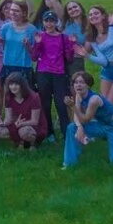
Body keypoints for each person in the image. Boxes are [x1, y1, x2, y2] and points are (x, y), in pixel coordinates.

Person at [63, 71, 113, 168]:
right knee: (71, 127)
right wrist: (79, 127)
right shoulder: (78, 95)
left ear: (88, 85)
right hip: (102, 124)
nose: (78, 85)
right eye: (76, 82)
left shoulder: (94, 99)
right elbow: (77, 117)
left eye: (82, 82)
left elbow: (85, 119)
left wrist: (73, 107)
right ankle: (69, 163)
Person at [27, 10, 75, 142]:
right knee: (45, 104)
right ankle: (49, 132)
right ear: (43, 22)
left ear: (56, 22)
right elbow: (34, 57)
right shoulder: (40, 36)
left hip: (59, 74)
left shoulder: (63, 37)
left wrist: (71, 45)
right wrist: (37, 44)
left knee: (61, 104)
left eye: (52, 21)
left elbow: (69, 59)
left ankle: (67, 133)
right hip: (43, 73)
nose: (49, 24)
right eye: (46, 21)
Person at [86, 3, 113, 106]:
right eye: (90, 14)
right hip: (107, 69)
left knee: (111, 103)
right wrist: (87, 55)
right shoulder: (93, 37)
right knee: (103, 103)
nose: (93, 16)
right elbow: (103, 61)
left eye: (96, 13)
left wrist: (111, 24)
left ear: (103, 16)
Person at [0, 73, 48, 148]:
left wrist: (22, 124)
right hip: (17, 124)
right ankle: (20, 142)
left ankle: (32, 144)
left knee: (24, 131)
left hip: (33, 126)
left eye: (16, 84)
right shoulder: (8, 97)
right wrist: (2, 123)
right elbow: (8, 120)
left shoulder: (34, 97)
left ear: (22, 85)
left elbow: (35, 121)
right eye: (11, 84)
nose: (13, 87)